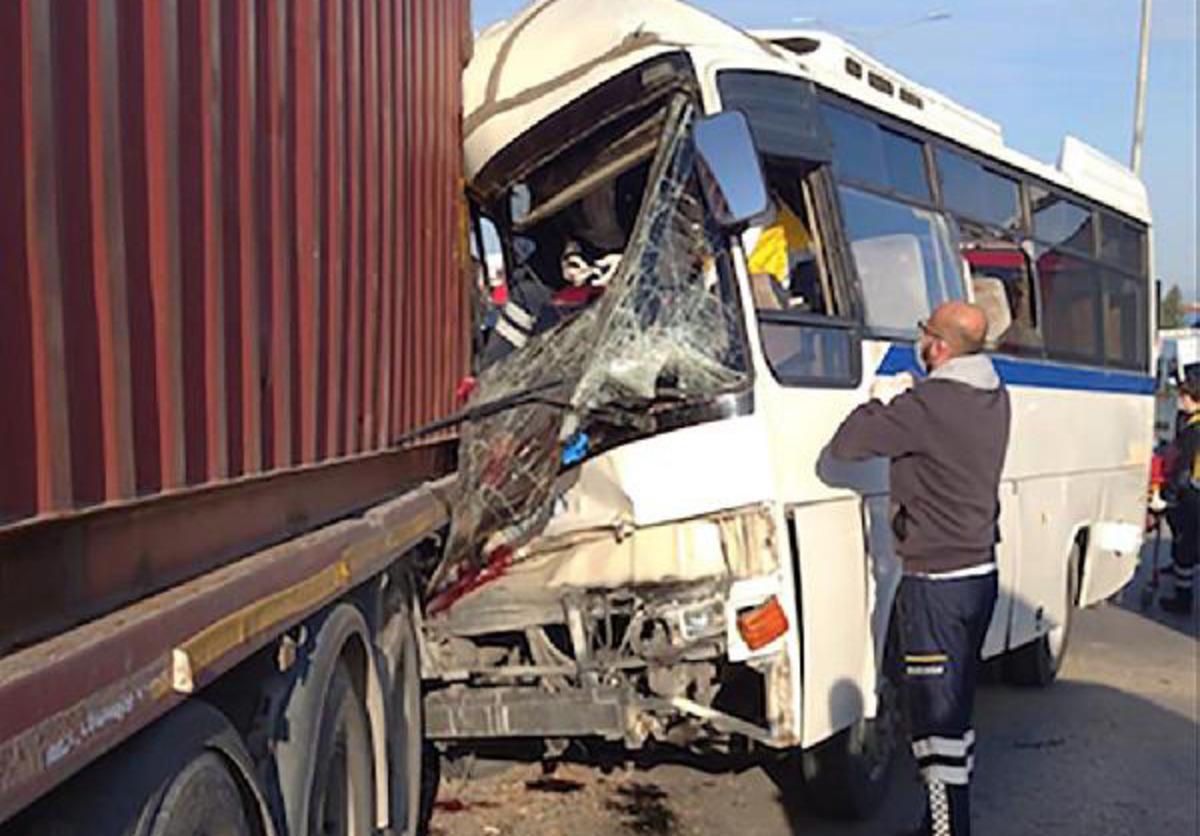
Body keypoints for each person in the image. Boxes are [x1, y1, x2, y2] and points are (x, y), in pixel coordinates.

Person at [828, 301, 1011, 836]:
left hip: (935, 583)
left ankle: (944, 830)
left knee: (934, 723)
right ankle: (949, 823)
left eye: (924, 331)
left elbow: (847, 446)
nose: (921, 338)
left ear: (939, 347)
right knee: (956, 711)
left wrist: (881, 400)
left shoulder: (927, 405)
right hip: (979, 574)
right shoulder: (994, 396)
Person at [1160, 376, 1199, 614]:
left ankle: (1183, 600)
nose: (1179, 401)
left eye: (1182, 397)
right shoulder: (1191, 423)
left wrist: (1170, 494)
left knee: (1186, 546)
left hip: (1192, 495)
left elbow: (1184, 466)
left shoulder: (1194, 430)